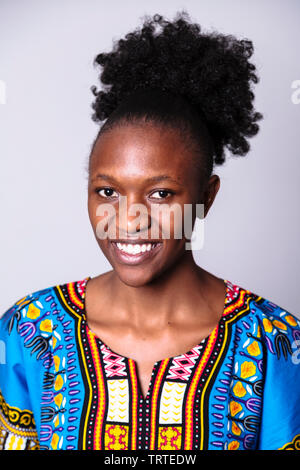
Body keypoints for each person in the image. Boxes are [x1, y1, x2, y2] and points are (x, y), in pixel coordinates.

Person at [0, 11, 299, 452]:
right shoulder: (27, 331)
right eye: (107, 191)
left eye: (160, 194)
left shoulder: (274, 341)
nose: (128, 218)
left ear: (207, 197)